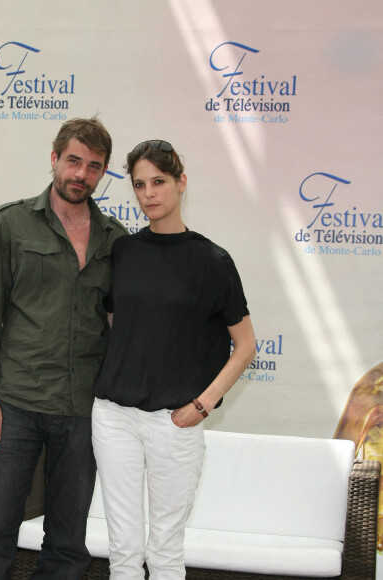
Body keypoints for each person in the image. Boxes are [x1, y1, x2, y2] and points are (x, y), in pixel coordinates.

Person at [0, 117, 128, 580]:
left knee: (68, 541)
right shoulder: (9, 224)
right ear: (54, 158)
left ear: (103, 173)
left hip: (83, 410)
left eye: (94, 167)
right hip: (14, 403)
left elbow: (120, 324)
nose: (82, 174)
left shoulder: (117, 241)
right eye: (74, 161)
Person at [91, 140, 256, 579]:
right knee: (123, 549)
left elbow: (246, 346)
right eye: (140, 184)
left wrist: (203, 404)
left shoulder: (213, 262)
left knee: (164, 550)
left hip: (175, 422)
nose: (149, 193)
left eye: (159, 182)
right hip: (113, 416)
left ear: (181, 183)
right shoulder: (123, 252)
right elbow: (115, 320)